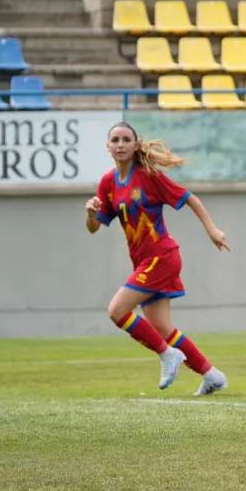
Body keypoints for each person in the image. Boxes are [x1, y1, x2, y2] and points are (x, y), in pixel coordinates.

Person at [86, 121, 230, 396]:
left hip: (161, 258)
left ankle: (167, 355)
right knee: (162, 328)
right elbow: (94, 228)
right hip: (144, 263)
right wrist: (90, 213)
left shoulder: (149, 176)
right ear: (108, 146)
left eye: (126, 139)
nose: (120, 144)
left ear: (136, 144)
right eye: (115, 140)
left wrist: (211, 229)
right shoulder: (107, 183)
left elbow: (189, 198)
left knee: (117, 311)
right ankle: (212, 376)